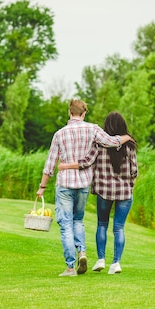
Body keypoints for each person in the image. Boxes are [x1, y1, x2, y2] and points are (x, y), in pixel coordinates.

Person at [37, 100, 132, 277]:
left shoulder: (59, 134)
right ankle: (82, 252)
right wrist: (126, 137)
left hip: (65, 184)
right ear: (84, 113)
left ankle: (70, 267)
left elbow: (50, 164)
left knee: (66, 225)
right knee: (78, 220)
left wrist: (42, 187)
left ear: (69, 112)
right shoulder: (93, 129)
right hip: (83, 184)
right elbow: (111, 142)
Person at [58, 111, 138, 275]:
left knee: (102, 224)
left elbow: (86, 162)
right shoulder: (130, 145)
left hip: (103, 191)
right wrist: (129, 186)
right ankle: (116, 263)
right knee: (119, 228)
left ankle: (101, 259)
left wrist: (65, 166)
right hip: (125, 193)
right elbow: (134, 172)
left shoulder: (99, 145)